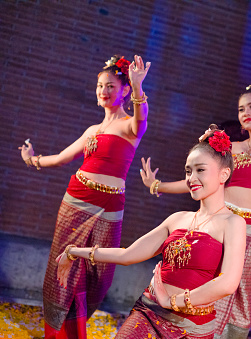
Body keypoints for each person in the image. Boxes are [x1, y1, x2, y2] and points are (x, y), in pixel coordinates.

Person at [140, 79, 251, 338]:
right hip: (221, 227)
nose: (245, 113)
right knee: (209, 287)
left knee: (243, 302)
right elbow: (201, 178)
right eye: (241, 109)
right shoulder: (231, 149)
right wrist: (158, 185)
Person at [56, 127, 246, 338]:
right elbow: (128, 255)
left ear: (224, 174)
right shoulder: (177, 219)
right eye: (188, 171)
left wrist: (172, 301)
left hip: (191, 329)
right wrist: (73, 251)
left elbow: (228, 283)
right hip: (149, 312)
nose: (192, 178)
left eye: (200, 170)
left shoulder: (233, 223)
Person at [19, 54, 151, 338]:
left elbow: (142, 118)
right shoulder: (92, 130)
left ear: (124, 89)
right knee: (63, 267)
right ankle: (60, 333)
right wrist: (33, 160)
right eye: (100, 86)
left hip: (110, 206)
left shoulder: (130, 126)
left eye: (111, 86)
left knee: (99, 274)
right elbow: (62, 158)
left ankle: (75, 324)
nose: (103, 91)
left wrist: (139, 86)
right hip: (75, 201)